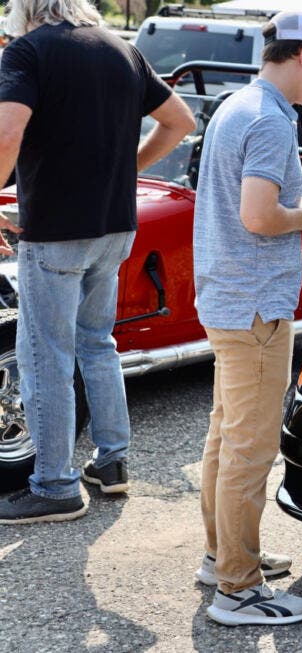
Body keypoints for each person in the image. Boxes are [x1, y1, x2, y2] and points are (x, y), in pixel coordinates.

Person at [0, 0, 195, 524]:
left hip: (58, 231)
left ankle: (55, 485)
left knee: (46, 356)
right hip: (115, 227)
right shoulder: (121, 49)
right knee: (96, 343)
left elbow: (5, 134)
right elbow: (180, 121)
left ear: (25, 9)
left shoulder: (28, 51)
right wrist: (124, 171)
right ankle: (111, 464)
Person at [191, 10, 302, 626]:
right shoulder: (269, 120)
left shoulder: (237, 104)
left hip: (227, 298)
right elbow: (260, 216)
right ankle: (237, 589)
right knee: (250, 451)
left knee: (225, 438)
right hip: (256, 304)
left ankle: (221, 557)